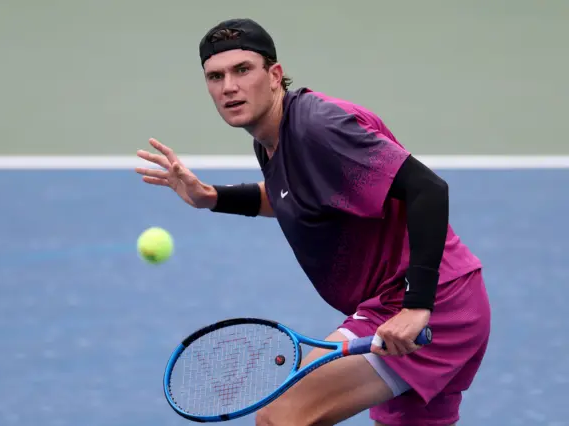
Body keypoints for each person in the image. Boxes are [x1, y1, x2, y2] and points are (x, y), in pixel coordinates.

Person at [136, 18, 491, 426]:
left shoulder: (317, 128)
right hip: (440, 301)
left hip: (429, 305)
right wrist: (212, 198)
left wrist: (416, 306)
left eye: (242, 70)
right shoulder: (274, 137)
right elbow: (295, 196)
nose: (228, 86)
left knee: (280, 417)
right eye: (215, 77)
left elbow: (427, 189)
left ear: (274, 75)